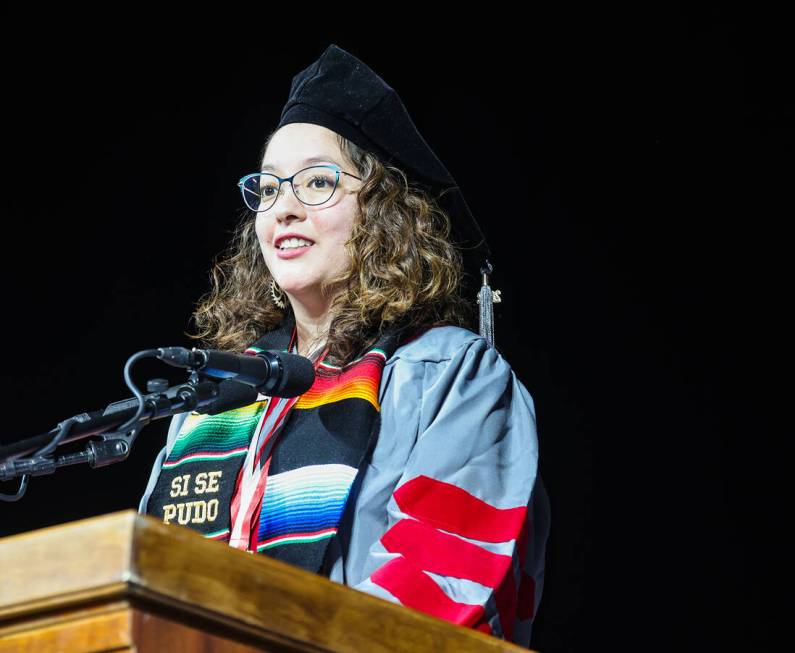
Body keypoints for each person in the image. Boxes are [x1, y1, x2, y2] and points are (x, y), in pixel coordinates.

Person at [138, 44, 550, 646]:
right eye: (270, 187)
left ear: (385, 212)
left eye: (318, 182)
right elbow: (146, 586)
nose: (284, 209)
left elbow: (440, 591)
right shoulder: (221, 398)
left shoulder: (448, 377)